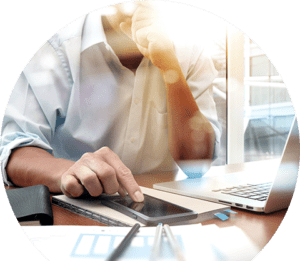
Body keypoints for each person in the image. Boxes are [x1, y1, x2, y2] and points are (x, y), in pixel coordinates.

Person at [0, 1, 221, 202]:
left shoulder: (192, 51)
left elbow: (197, 163)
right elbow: (16, 150)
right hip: (74, 205)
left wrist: (171, 68)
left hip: (158, 209)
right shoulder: (54, 47)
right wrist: (71, 172)